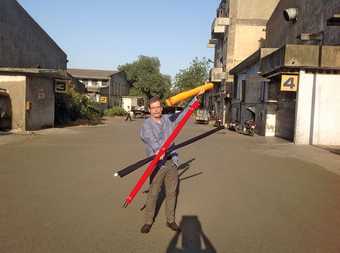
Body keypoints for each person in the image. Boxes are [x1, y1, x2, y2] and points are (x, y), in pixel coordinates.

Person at [139, 90, 204, 234]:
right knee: (153, 193)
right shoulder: (146, 125)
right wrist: (158, 150)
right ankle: (148, 221)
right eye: (153, 108)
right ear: (149, 110)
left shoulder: (168, 119)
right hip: (157, 163)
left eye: (158, 107)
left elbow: (183, 115)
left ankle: (170, 220)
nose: (156, 110)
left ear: (162, 108)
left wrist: (196, 98)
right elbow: (149, 138)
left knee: (172, 192)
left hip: (171, 161)